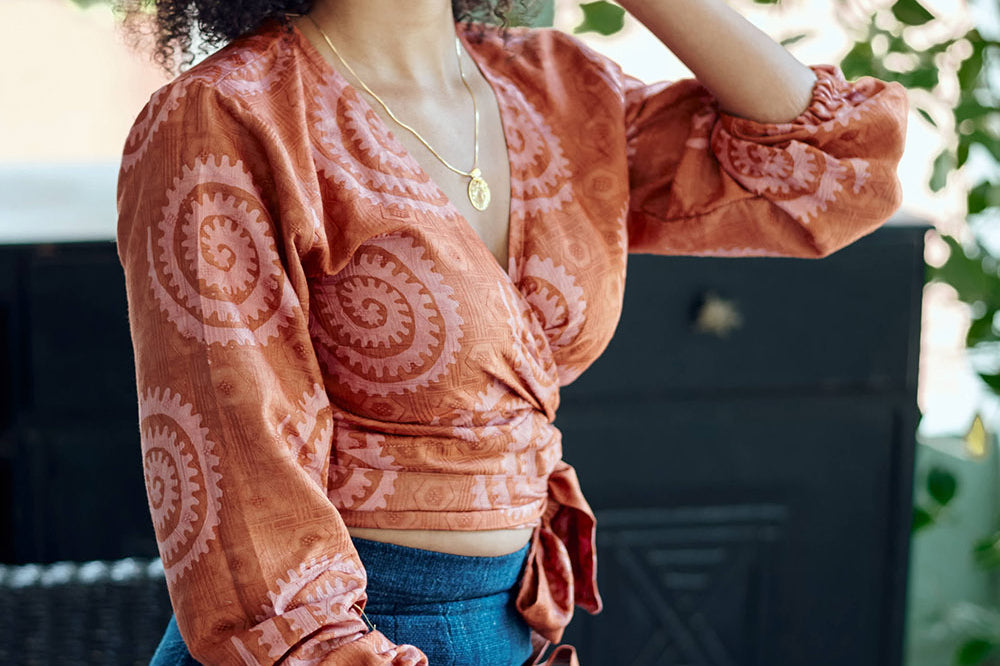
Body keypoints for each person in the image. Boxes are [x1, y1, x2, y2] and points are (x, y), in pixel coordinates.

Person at [113, 0, 908, 663]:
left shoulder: (555, 87)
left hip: (512, 624)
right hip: (331, 635)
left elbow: (836, 169)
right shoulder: (228, 116)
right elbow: (242, 507)